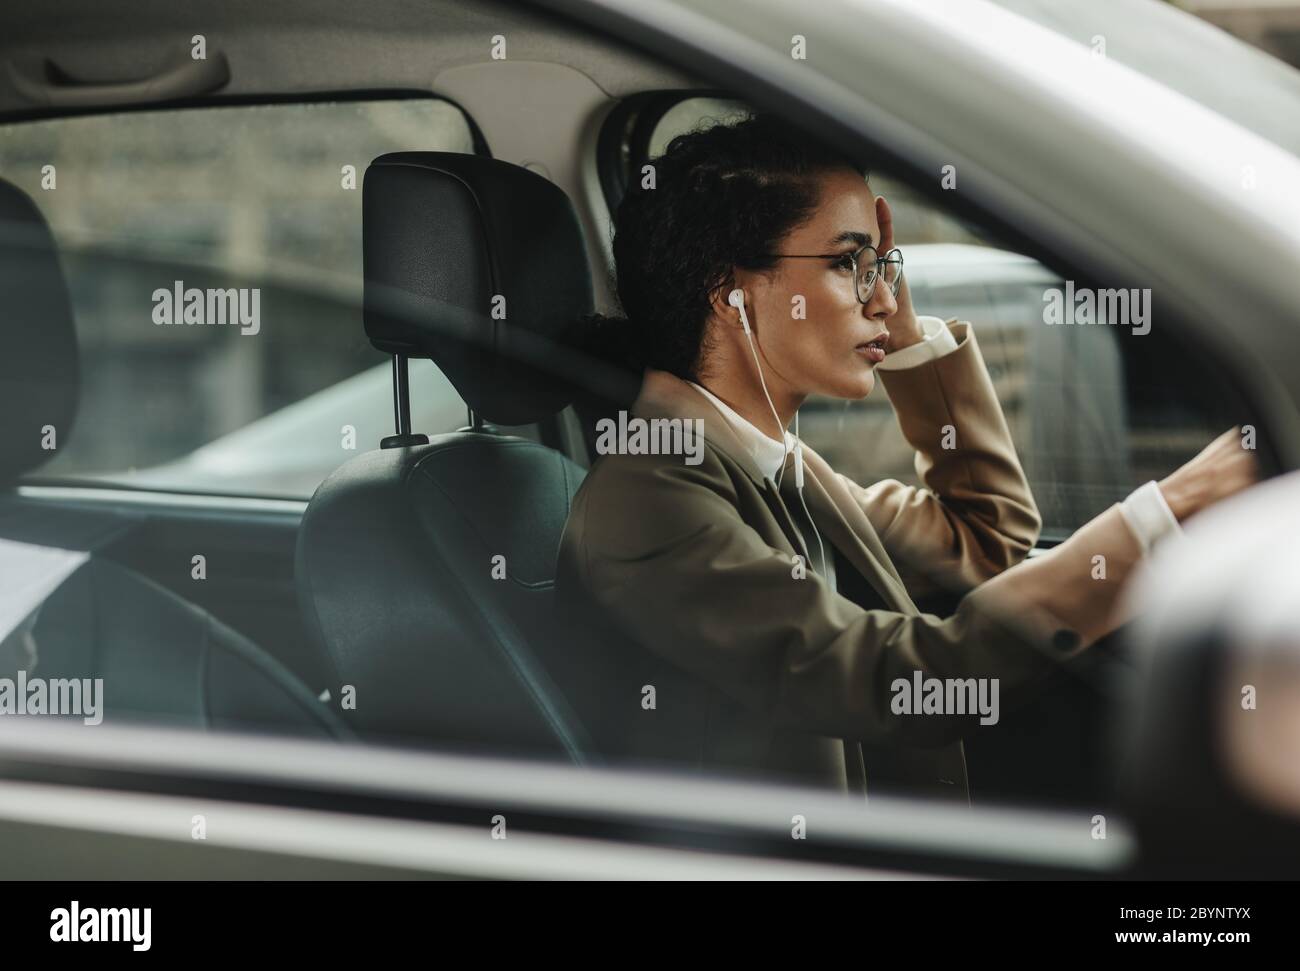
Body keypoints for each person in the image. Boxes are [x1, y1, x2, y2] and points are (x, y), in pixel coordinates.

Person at [555, 113, 1257, 802]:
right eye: (846, 264)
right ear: (728, 291)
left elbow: (984, 543)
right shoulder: (649, 498)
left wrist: (906, 331)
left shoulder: (773, 462)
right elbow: (897, 681)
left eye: (881, 266)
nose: (884, 299)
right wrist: (1173, 509)